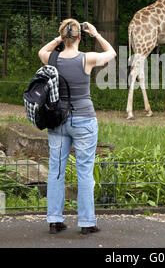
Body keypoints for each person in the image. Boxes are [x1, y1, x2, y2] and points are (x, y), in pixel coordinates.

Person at [38, 18, 116, 235]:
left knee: (56, 170)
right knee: (84, 171)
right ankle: (87, 223)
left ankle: (54, 220)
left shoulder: (51, 58)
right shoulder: (87, 59)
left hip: (57, 121)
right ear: (80, 36)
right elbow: (111, 53)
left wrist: (57, 39)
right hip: (84, 120)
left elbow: (41, 51)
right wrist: (96, 34)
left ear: (63, 37)